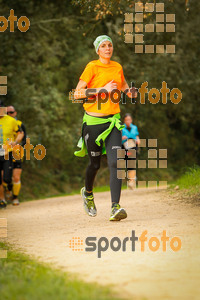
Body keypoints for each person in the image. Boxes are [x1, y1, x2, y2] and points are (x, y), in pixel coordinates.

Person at [74, 35, 137, 221]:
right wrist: (103, 90)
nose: (108, 48)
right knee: (94, 164)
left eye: (110, 45)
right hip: (93, 124)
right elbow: (77, 93)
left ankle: (115, 207)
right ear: (98, 50)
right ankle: (88, 193)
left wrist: (129, 92)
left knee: (115, 163)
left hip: (113, 123)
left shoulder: (117, 67)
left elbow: (123, 83)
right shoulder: (92, 67)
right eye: (103, 46)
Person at [0, 102, 23, 208]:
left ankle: (9, 188)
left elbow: (21, 133)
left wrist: (15, 142)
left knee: (8, 178)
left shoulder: (11, 121)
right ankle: (2, 200)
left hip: (8, 152)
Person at [7, 105, 26, 205]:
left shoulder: (20, 124)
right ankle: (8, 191)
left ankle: (15, 197)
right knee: (6, 177)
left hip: (17, 153)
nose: (9, 114)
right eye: (7, 112)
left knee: (16, 177)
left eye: (11, 112)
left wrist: (17, 145)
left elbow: (25, 139)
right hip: (5, 153)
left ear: (15, 113)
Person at [122, 113, 140, 189]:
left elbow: (136, 136)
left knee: (131, 162)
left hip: (133, 146)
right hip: (124, 147)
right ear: (124, 120)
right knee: (127, 163)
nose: (128, 121)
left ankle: (132, 181)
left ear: (131, 120)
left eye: (129, 119)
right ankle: (132, 179)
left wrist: (138, 140)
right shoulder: (121, 128)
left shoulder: (134, 127)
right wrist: (122, 138)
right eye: (126, 120)